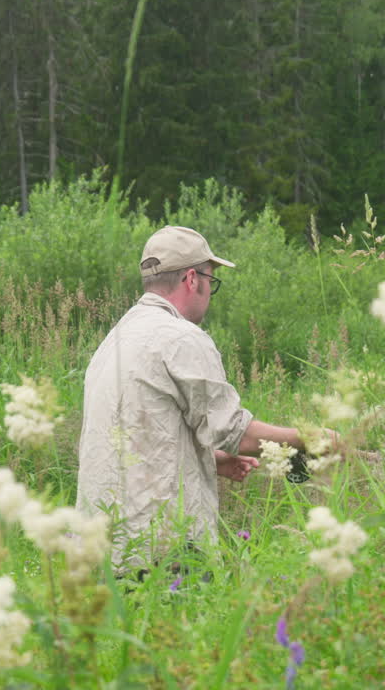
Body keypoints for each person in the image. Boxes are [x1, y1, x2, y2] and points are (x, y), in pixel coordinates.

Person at [77, 226, 309, 572]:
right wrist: (311, 439)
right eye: (211, 281)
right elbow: (235, 433)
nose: (210, 292)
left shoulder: (116, 339)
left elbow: (136, 433)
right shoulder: (181, 337)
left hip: (102, 549)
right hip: (161, 549)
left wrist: (209, 459)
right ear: (191, 279)